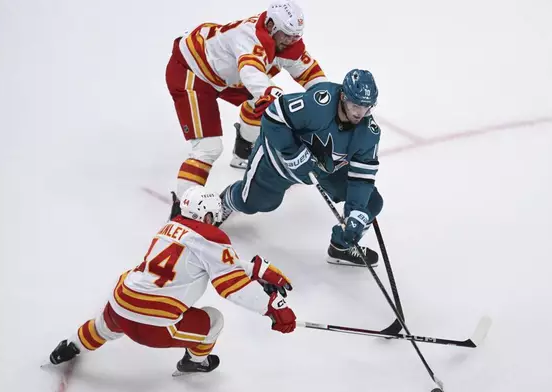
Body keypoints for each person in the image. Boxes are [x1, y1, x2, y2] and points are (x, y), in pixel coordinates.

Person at [48, 186, 296, 375]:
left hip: (120, 307)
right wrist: (273, 306)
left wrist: (256, 269)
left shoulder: (170, 228)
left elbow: (207, 259)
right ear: (207, 216)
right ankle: (195, 362)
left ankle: (70, 346)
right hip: (155, 326)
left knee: (104, 326)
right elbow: (233, 287)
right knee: (214, 321)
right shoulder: (210, 237)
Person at [218, 69, 383, 267]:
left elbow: (362, 178)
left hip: (323, 168)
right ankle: (223, 203)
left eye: (366, 107)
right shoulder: (319, 103)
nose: (360, 113)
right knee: (252, 203)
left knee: (370, 203)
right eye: (355, 105)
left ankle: (341, 247)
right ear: (342, 96)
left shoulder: (369, 133)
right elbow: (273, 116)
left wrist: (356, 213)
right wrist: (292, 153)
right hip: (276, 160)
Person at [167, 0, 328, 200]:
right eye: (287, 35)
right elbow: (252, 74)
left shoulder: (283, 40)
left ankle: (243, 151)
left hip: (227, 77)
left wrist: (328, 100)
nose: (291, 41)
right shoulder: (248, 37)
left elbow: (309, 72)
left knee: (260, 103)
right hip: (193, 74)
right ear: (271, 25)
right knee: (209, 147)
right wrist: (281, 104)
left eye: (295, 36)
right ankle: (183, 205)